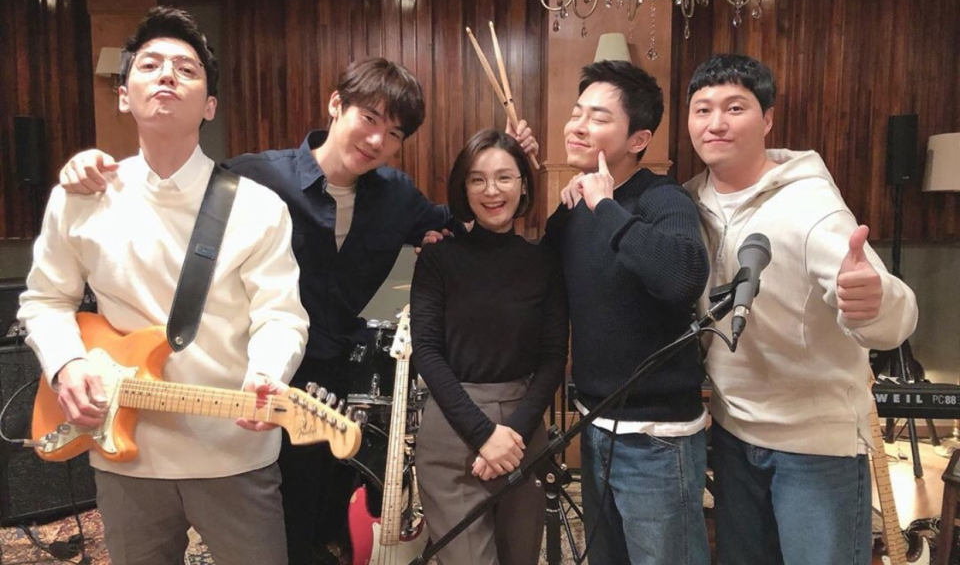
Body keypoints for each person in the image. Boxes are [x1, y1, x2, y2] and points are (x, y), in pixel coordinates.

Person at [58, 57, 541, 564]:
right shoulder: (258, 175)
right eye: (368, 118)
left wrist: (517, 164)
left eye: (394, 133)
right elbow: (170, 189)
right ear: (336, 105)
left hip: (331, 383)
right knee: (265, 527)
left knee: (325, 524)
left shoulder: (396, 197)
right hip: (255, 379)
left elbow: (467, 220)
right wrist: (93, 167)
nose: (377, 140)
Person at [17, 6, 309, 565]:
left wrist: (268, 373)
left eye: (186, 68)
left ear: (210, 105)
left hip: (232, 449)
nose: (167, 74)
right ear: (124, 96)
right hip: (123, 447)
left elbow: (281, 314)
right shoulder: (80, 198)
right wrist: (66, 365)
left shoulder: (258, 207)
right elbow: (45, 299)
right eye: (149, 65)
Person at [683, 53, 919, 565]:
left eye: (735, 107)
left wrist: (874, 302)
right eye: (702, 109)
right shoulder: (689, 203)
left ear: (767, 119)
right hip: (732, 433)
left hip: (815, 448)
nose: (715, 123)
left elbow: (894, 315)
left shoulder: (812, 205)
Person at [542, 60, 711, 565]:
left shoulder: (662, 198)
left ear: (638, 139)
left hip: (657, 439)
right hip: (595, 424)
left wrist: (606, 206)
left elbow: (683, 277)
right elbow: (537, 273)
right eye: (577, 113)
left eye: (597, 117)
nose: (577, 125)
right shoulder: (573, 209)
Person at [411, 129, 568, 564]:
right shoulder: (437, 259)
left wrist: (513, 434)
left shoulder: (543, 261)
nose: (491, 190)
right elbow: (426, 352)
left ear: (523, 185)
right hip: (453, 426)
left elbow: (554, 356)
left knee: (520, 556)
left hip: (523, 425)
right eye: (477, 179)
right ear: (463, 189)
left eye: (504, 177)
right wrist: (483, 435)